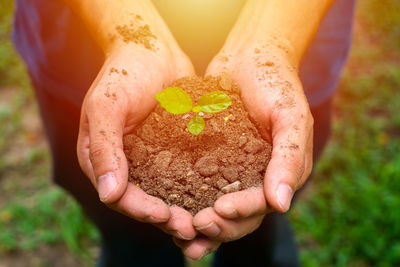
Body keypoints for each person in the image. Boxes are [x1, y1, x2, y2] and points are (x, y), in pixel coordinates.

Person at [12, 0, 356, 266]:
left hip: (294, 31)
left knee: (265, 212)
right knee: (127, 231)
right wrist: (127, 34)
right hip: (83, 46)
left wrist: (273, 43)